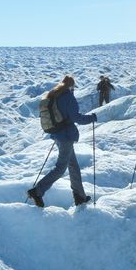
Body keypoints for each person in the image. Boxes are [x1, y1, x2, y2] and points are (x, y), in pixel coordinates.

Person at [27, 75, 97, 207]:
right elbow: (77, 118)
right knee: (61, 167)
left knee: (73, 166)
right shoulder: (68, 97)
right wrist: (91, 118)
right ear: (71, 86)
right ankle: (37, 191)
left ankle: (80, 197)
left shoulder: (54, 95)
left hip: (58, 134)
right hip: (65, 136)